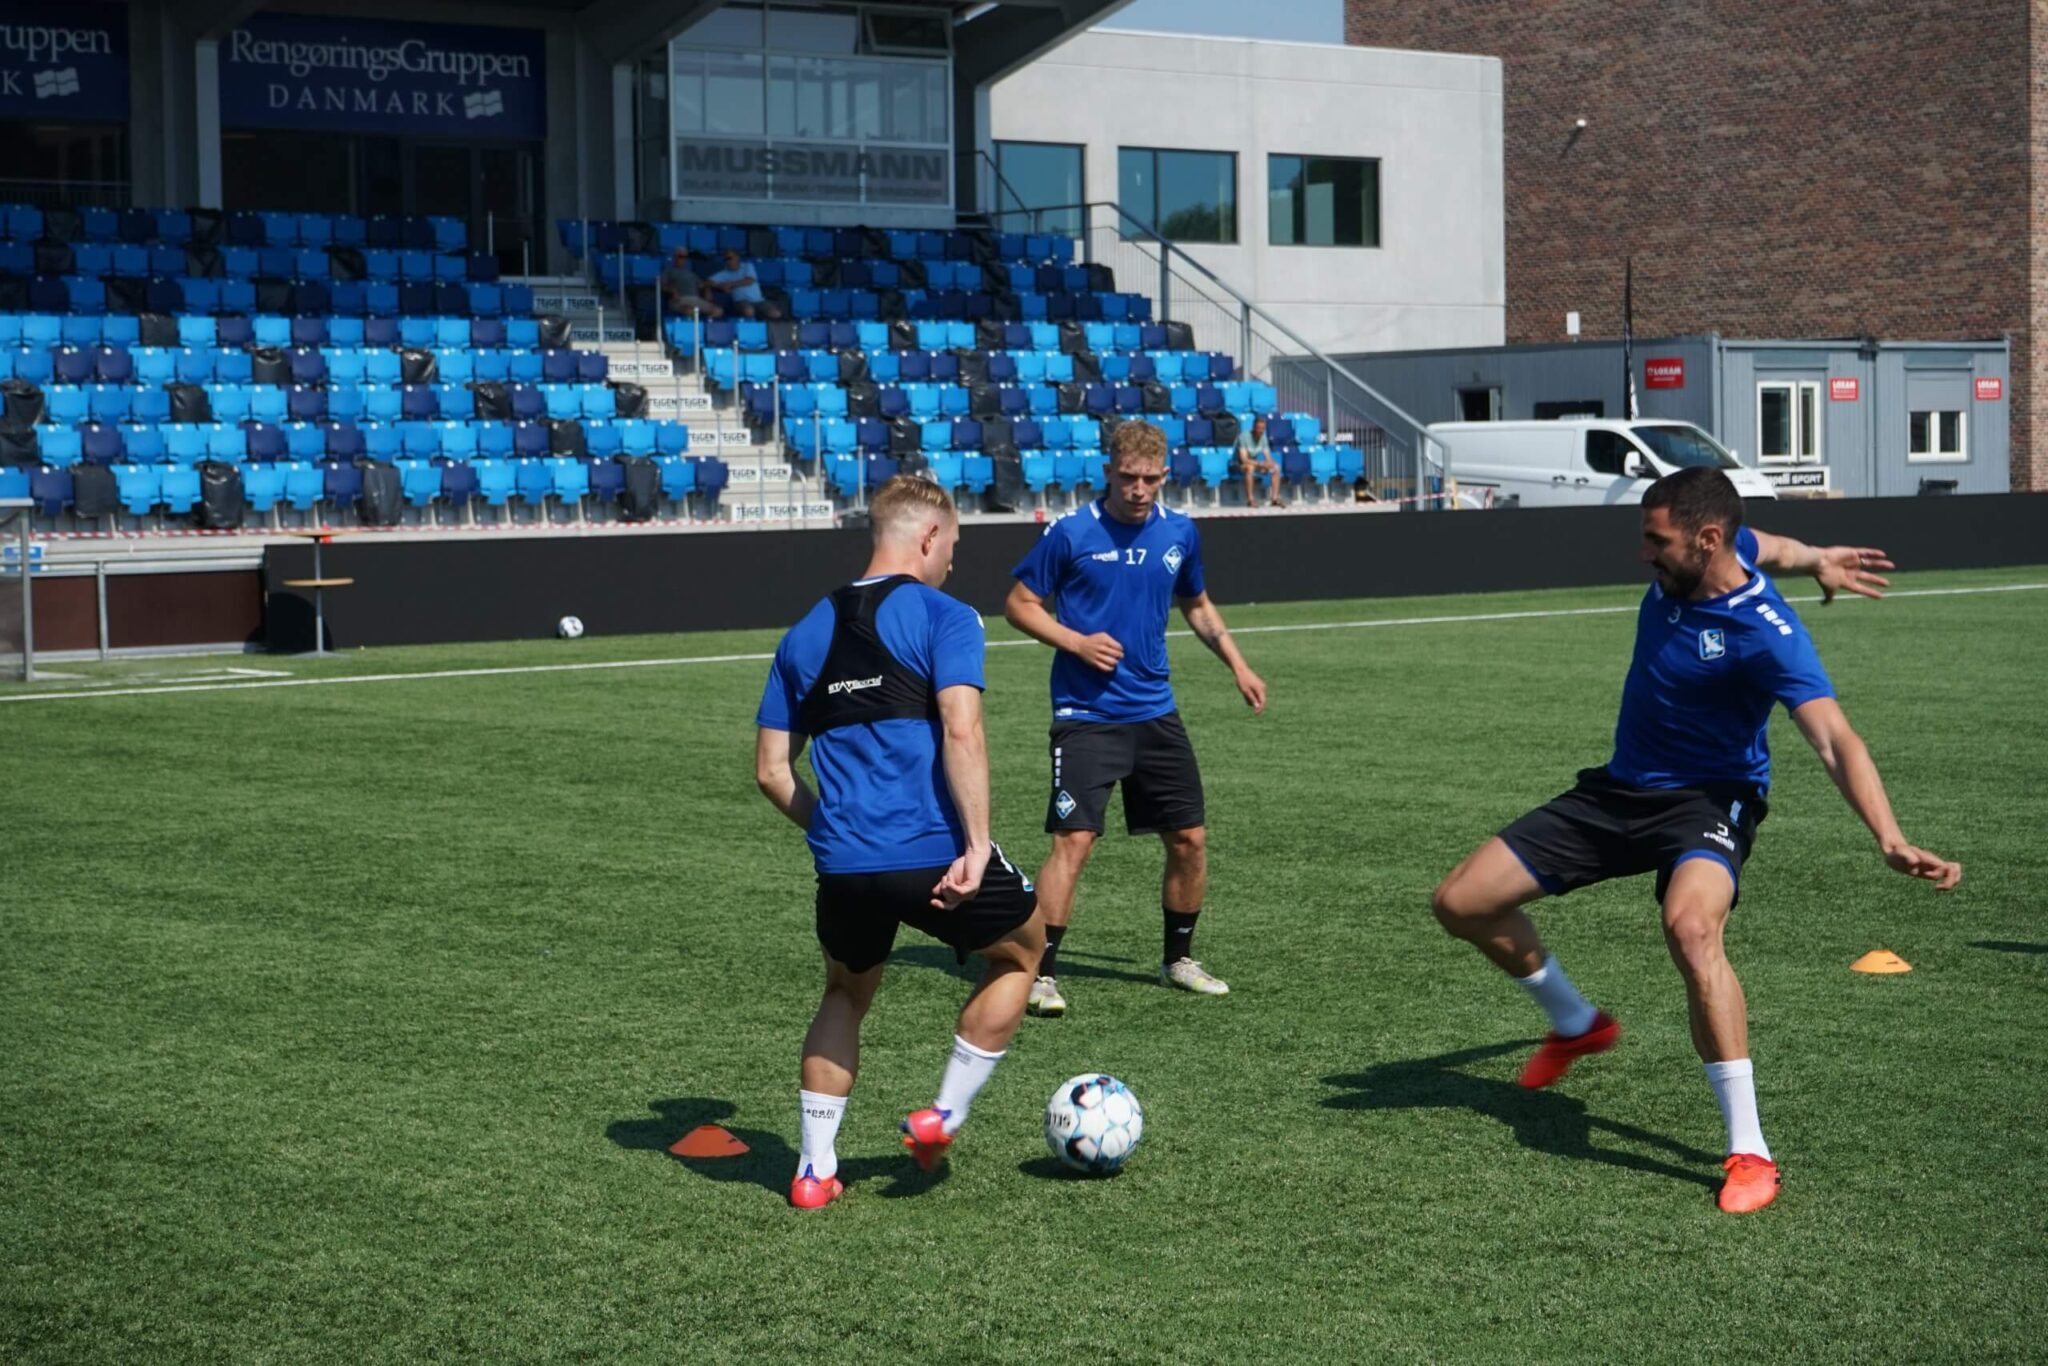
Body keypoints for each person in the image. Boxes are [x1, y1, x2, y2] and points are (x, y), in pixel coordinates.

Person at [1429, 467, 1960, 1215]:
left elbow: (1835, 739)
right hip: (1619, 790)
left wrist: (1889, 836)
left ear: (1706, 540)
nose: (1644, 554)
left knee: (1691, 928)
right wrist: (1818, 558)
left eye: (1657, 541)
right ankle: (1577, 1024)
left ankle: (1750, 1150)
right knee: (1460, 902)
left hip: (1710, 801)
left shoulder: (1767, 635)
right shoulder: (1722, 548)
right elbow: (1774, 545)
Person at [755, 475, 1046, 1210]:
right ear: (929, 536)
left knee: (844, 993)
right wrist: (977, 845)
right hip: (932, 853)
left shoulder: (801, 633)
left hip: (843, 865)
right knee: (1024, 951)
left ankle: (814, 1171)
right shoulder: (946, 615)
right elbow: (961, 729)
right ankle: (942, 1114)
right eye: (953, 544)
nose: (952, 559)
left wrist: (834, 831)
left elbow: (771, 772)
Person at [1004, 419, 1268, 1018]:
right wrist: (1075, 642)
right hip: (1086, 715)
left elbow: (1196, 603)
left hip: (1155, 712)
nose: (1139, 489)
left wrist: (1238, 664)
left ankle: (1179, 960)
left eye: (1150, 479)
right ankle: (1039, 973)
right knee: (1074, 842)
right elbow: (1018, 604)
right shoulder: (1071, 532)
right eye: (1128, 477)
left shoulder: (1180, 531)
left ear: (1164, 475)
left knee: (1190, 840)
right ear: (1109, 472)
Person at [710, 248, 781, 320]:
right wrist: (721, 286)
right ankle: (752, 322)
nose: (728, 261)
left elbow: (749, 281)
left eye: (730, 258)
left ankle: (760, 321)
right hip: (740, 301)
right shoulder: (724, 273)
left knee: (776, 313)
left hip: (759, 301)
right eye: (725, 259)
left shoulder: (747, 266)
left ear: (737, 257)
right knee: (749, 311)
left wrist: (730, 284)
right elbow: (707, 282)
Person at [1236, 417, 1284, 508]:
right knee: (1250, 468)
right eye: (1259, 428)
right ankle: (1250, 499)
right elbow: (1244, 459)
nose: (1261, 431)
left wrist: (1269, 464)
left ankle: (1274, 498)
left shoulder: (1263, 438)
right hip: (1238, 464)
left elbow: (1268, 456)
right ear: (1254, 428)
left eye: (1263, 429)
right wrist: (1260, 464)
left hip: (1254, 463)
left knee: (1276, 467)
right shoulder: (1244, 437)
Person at [660, 247, 720, 320]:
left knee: (718, 311)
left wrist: (707, 289)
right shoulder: (668, 271)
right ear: (674, 257)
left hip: (695, 300)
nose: (682, 259)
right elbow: (662, 285)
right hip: (679, 300)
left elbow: (702, 285)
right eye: (680, 256)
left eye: (684, 257)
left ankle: (705, 323)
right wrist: (672, 290)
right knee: (690, 311)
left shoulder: (691, 274)